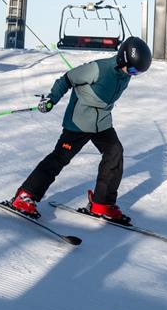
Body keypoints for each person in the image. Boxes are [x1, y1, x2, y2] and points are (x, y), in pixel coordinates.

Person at [9, 36, 152, 224]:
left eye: (137, 73)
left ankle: (102, 204)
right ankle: (25, 196)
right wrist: (51, 99)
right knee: (59, 158)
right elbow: (67, 79)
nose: (133, 74)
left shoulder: (124, 74)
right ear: (121, 59)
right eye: (133, 69)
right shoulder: (97, 69)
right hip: (78, 122)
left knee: (114, 152)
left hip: (102, 123)